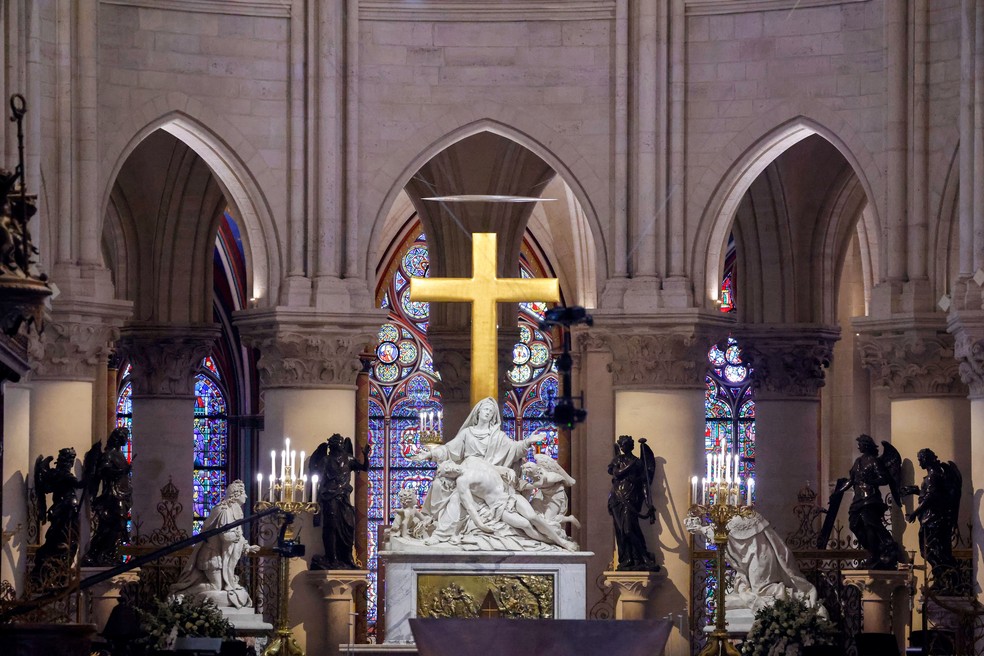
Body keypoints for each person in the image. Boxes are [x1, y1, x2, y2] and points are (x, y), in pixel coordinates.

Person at [686, 510, 822, 613]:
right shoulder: (738, 517)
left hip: (760, 556)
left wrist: (700, 528)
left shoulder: (745, 517)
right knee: (746, 592)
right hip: (753, 557)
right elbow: (722, 532)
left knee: (762, 591)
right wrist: (700, 528)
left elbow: (722, 532)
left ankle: (799, 599)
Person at [170, 479, 259, 608]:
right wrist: (236, 536)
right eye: (243, 493)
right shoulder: (224, 511)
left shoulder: (234, 511)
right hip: (212, 555)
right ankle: (182, 594)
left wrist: (246, 547)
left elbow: (237, 534)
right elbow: (225, 536)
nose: (245, 496)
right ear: (236, 495)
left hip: (220, 557)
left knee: (221, 586)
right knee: (216, 586)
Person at [832, 434, 903, 570]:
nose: (858, 447)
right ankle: (875, 549)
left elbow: (885, 478)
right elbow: (851, 480)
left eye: (860, 444)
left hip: (870, 499)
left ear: (866, 445)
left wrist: (871, 480)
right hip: (858, 499)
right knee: (854, 525)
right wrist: (837, 493)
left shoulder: (874, 461)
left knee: (869, 525)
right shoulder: (858, 461)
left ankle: (875, 553)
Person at [309, 433, 370, 570]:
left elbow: (364, 468)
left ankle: (347, 558)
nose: (340, 446)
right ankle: (332, 558)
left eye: (341, 443)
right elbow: (318, 479)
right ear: (332, 445)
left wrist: (365, 456)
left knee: (349, 526)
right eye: (338, 444)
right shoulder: (326, 460)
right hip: (330, 498)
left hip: (344, 498)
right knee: (331, 527)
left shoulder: (348, 458)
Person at [904, 448, 962, 591]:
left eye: (920, 460)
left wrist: (914, 513)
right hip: (933, 520)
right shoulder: (935, 475)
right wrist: (917, 491)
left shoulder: (933, 477)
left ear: (926, 459)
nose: (919, 464)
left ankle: (949, 580)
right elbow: (936, 496)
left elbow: (931, 498)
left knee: (934, 551)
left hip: (934, 521)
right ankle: (943, 579)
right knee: (933, 551)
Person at [32, 447, 84, 586]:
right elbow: (78, 484)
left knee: (68, 539)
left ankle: (59, 571)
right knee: (64, 538)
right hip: (66, 509)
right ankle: (57, 571)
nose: (71, 463)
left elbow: (46, 487)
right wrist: (89, 476)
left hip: (66, 509)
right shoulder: (64, 475)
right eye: (71, 460)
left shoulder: (55, 474)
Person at [81, 427, 133, 566]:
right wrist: (122, 471)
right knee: (118, 522)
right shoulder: (109, 454)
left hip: (122, 492)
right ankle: (97, 552)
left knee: (113, 526)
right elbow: (103, 471)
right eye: (124, 436)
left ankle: (107, 553)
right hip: (112, 494)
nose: (126, 439)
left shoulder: (120, 455)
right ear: (118, 438)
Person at [607, 435, 657, 571]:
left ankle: (644, 557)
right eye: (621, 445)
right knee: (621, 531)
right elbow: (617, 473)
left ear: (631, 446)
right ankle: (628, 558)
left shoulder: (639, 463)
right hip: (617, 498)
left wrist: (648, 503)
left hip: (631, 498)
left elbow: (644, 484)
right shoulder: (618, 460)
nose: (622, 447)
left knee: (629, 529)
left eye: (624, 444)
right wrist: (631, 465)